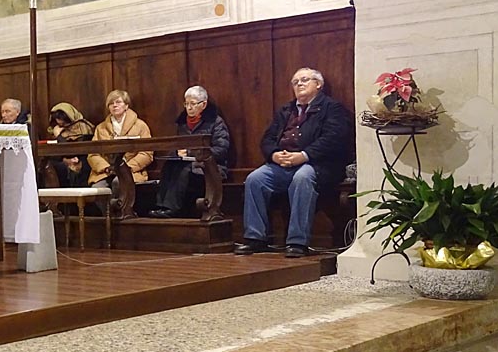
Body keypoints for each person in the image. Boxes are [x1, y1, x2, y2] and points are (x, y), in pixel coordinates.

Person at [234, 67, 353, 257]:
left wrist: (304, 155)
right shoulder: (286, 110)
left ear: (318, 84)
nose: (299, 84)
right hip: (283, 163)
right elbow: (267, 139)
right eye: (295, 82)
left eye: (304, 80)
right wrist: (274, 155)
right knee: (255, 179)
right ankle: (255, 238)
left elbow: (333, 139)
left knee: (302, 177)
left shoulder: (332, 108)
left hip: (317, 164)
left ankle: (297, 242)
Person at [149, 85, 230, 218]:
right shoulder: (182, 124)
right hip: (187, 163)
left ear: (203, 104)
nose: (189, 107)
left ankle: (172, 209)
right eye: (186, 104)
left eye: (193, 104)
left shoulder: (215, 122)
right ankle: (161, 206)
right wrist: (177, 153)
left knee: (185, 170)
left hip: (211, 168)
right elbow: (178, 146)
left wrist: (191, 153)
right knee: (169, 166)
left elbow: (221, 150)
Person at [87, 89, 152, 187]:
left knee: (118, 183)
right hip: (105, 172)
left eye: (118, 102)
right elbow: (92, 154)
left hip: (131, 171)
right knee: (97, 187)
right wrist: (106, 168)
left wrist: (127, 167)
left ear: (126, 105)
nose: (114, 105)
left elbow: (147, 153)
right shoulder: (101, 128)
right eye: (111, 103)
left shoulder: (140, 126)